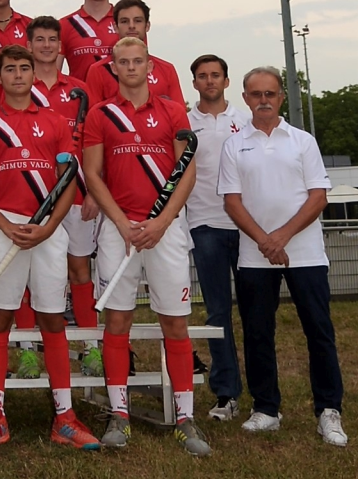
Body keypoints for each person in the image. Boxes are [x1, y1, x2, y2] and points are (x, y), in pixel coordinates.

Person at [0, 45, 98, 449]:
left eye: (25, 68)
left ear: (34, 76)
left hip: (48, 232)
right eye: (10, 69)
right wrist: (5, 224)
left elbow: (68, 179)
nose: (18, 74)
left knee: (53, 320)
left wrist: (50, 226)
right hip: (6, 228)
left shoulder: (55, 123)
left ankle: (64, 417)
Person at [83, 36, 209, 456]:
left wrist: (161, 221)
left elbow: (185, 172)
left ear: (149, 65)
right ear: (113, 67)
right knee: (116, 322)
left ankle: (186, 418)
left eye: (139, 61)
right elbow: (93, 175)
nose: (132, 67)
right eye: (124, 62)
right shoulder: (101, 114)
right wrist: (121, 223)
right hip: (118, 231)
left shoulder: (174, 110)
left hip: (165, 231)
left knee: (175, 322)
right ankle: (119, 414)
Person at [219, 67, 347, 447]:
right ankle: (266, 409)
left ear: (280, 97)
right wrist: (265, 241)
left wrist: (282, 237)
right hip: (255, 256)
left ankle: (328, 410)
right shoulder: (234, 144)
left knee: (319, 333)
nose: (263, 101)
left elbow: (318, 197)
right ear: (245, 98)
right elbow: (231, 201)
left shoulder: (303, 141)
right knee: (258, 334)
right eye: (256, 94)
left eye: (270, 94)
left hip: (305, 254)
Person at [26, 16, 99, 373]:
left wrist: (96, 192)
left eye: (52, 40)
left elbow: (94, 140)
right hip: (34, 192)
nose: (46, 46)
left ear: (60, 45)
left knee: (79, 267)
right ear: (29, 45)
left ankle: (89, 345)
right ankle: (26, 349)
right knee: (27, 267)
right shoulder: (20, 85)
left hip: (80, 190)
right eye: (39, 40)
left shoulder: (80, 87)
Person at [185, 54, 243, 421]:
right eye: (202, 76)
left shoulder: (246, 119)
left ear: (226, 80)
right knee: (217, 313)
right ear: (194, 83)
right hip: (205, 225)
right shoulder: (186, 122)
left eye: (215, 75)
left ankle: (266, 394)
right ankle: (227, 394)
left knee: (255, 312)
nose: (209, 81)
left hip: (247, 227)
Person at [85, 0, 182, 104]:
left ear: (147, 26)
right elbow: (93, 116)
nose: (131, 26)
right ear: (115, 27)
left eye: (138, 21)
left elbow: (178, 115)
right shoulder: (98, 70)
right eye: (124, 21)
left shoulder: (167, 70)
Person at [59, 0, 116, 81]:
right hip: (81, 99)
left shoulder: (126, 22)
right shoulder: (65, 25)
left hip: (120, 100)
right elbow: (52, 75)